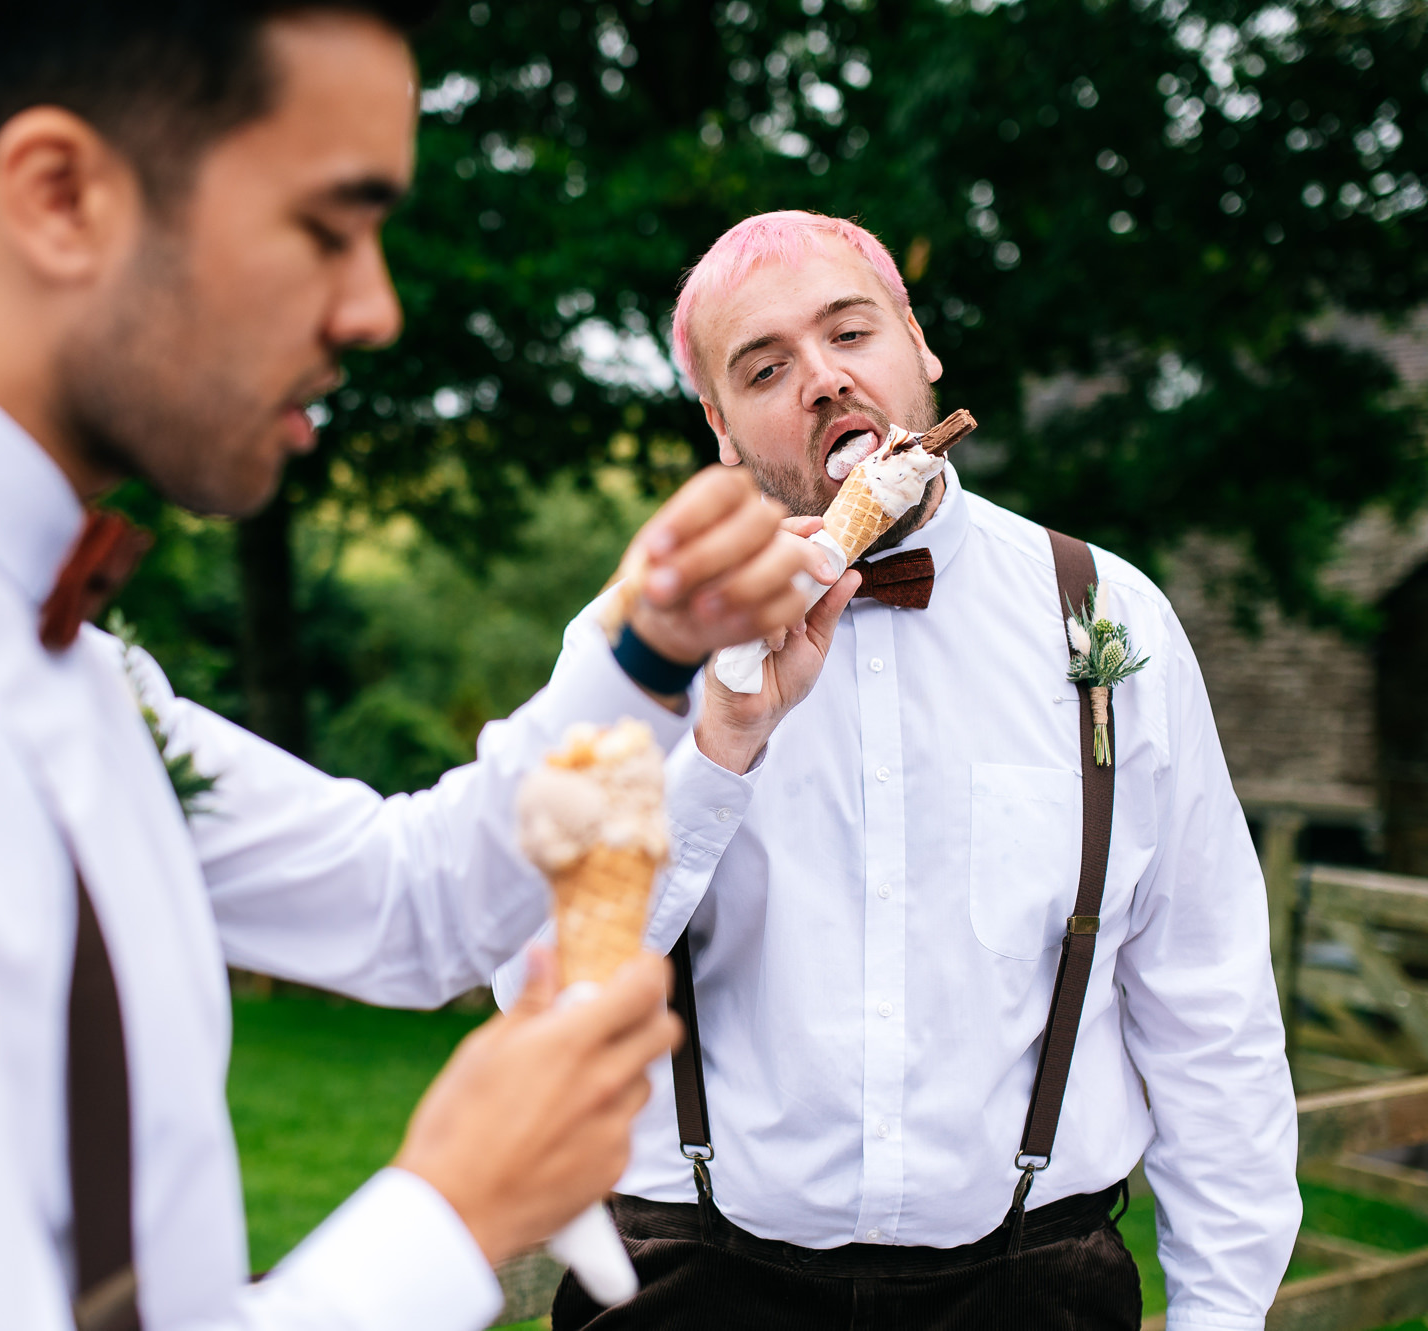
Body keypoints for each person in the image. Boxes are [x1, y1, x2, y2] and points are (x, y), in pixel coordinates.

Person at [0, 7, 843, 1331]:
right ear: (61, 195)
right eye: (327, 227)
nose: (375, 310)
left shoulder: (25, 635)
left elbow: (407, 900)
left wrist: (647, 644)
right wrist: (450, 1215)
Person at [498, 211, 1300, 1330]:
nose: (822, 379)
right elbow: (533, 976)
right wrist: (717, 747)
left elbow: (1208, 1002)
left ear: (918, 348)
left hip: (1033, 1282)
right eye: (764, 366)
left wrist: (1221, 1312)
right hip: (694, 1281)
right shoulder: (639, 636)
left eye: (849, 332)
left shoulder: (1109, 616)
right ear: (721, 428)